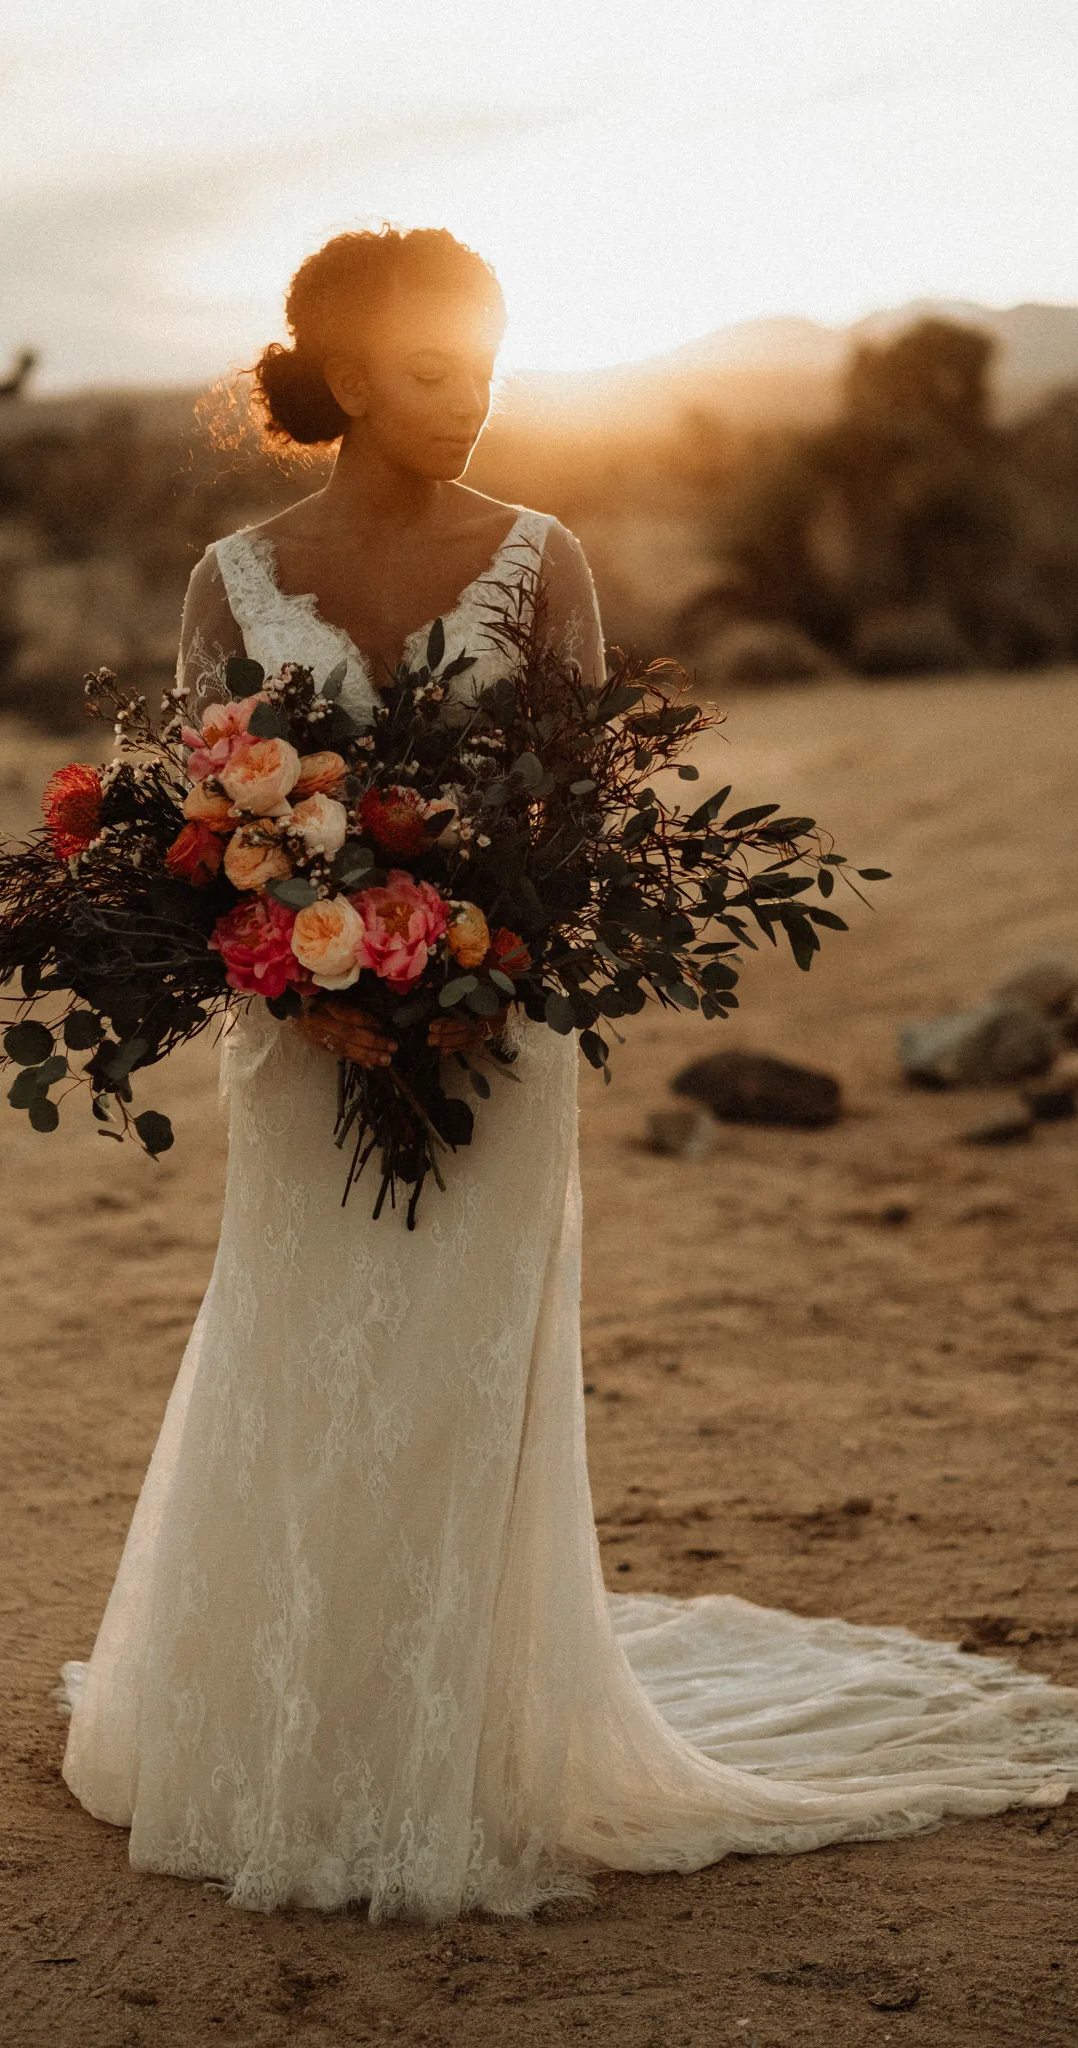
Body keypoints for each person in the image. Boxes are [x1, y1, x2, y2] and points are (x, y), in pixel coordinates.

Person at [59, 226, 1078, 1923]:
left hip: (496, 1028)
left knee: (467, 1371)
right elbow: (201, 833)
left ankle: (452, 1745)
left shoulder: (544, 561)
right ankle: (284, 1728)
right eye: (440, 371)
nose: (475, 404)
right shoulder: (230, 578)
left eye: (496, 364)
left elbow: (579, 831)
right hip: (303, 1041)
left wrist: (477, 969)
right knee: (300, 1348)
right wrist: (302, 971)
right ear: (355, 376)